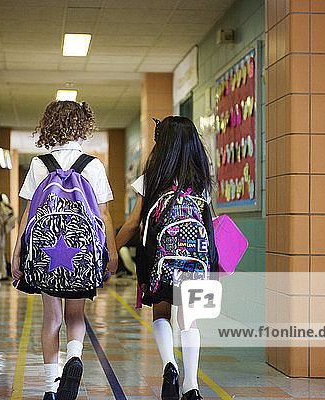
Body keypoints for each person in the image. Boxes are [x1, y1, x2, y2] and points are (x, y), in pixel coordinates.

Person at [11, 100, 118, 400]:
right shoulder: (92, 165)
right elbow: (104, 214)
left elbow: (29, 213)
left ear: (48, 127)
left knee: (51, 319)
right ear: (84, 127)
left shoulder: (38, 165)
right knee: (75, 316)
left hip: (46, 255)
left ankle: (50, 387)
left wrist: (17, 251)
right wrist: (110, 253)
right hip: (81, 253)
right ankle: (74, 356)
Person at [115, 116, 217, 400]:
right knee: (190, 321)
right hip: (195, 267)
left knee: (161, 314)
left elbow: (134, 224)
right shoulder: (201, 183)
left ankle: (169, 366)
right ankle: (192, 385)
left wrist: (109, 250)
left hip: (158, 263)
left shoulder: (151, 180)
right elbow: (209, 227)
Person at [0, 192, 16, 281]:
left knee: (0, 252)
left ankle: (1, 273)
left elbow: (11, 218)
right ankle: (0, 273)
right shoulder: (1, 209)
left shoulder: (2, 208)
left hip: (0, 233)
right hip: (0, 232)